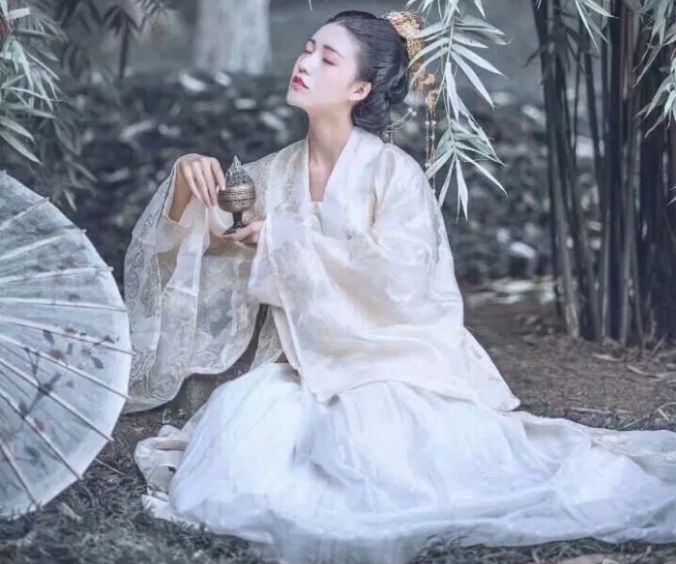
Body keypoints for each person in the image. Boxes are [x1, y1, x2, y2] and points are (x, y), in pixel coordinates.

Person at [122, 9, 676, 564]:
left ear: (360, 88)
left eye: (327, 58)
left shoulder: (395, 174)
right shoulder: (271, 174)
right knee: (242, 445)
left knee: (378, 453)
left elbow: (401, 282)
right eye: (308, 48)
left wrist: (283, 241)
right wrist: (186, 179)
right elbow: (207, 242)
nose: (305, 63)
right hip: (297, 368)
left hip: (389, 363)